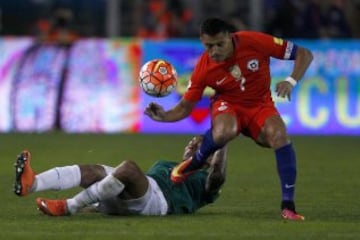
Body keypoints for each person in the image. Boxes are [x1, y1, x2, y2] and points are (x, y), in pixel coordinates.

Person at [144, 17, 313, 220]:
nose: (214, 51)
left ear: (230, 37)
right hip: (228, 105)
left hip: (260, 105)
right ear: (201, 41)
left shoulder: (254, 41)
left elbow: (304, 53)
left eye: (219, 44)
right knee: (225, 131)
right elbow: (184, 108)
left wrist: (291, 80)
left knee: (280, 137)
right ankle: (194, 163)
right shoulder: (203, 68)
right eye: (208, 46)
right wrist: (163, 116)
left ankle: (288, 206)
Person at [13, 136, 226, 216]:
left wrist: (222, 144)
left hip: (158, 202)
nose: (192, 143)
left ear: (208, 157)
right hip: (135, 192)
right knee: (93, 170)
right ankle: (33, 183)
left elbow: (217, 178)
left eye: (199, 144)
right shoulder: (172, 165)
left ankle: (68, 206)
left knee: (129, 168)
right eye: (192, 140)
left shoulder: (203, 179)